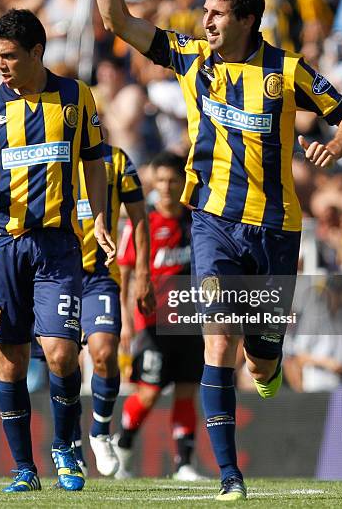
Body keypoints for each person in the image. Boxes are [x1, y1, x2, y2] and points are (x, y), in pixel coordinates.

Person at [90, 0, 342, 501]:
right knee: (217, 340)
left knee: (260, 362)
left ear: (245, 18)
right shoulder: (193, 59)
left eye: (216, 13)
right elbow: (118, 23)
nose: (205, 21)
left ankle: (266, 362)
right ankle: (229, 477)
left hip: (275, 230)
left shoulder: (286, 73)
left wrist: (333, 148)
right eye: (204, 11)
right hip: (212, 222)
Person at [0, 8, 115, 494]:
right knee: (9, 361)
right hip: (2, 243)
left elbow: (95, 161)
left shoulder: (74, 97)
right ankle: (24, 468)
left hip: (58, 245)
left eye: (9, 56)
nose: (0, 64)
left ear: (37, 53)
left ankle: (66, 448)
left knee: (62, 355)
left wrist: (101, 215)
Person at [31, 141, 155, 478]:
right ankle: (70, 442)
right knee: (63, 359)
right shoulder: (48, 156)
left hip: (100, 276)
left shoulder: (115, 160)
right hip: (55, 274)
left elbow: (139, 217)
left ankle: (100, 430)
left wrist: (143, 273)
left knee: (103, 352)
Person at [115, 151, 204, 481]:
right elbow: (123, 276)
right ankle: (123, 442)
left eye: (172, 181)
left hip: (190, 322)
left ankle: (184, 464)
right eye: (161, 181)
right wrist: (124, 322)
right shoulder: (142, 223)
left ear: (183, 183)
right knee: (149, 392)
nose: (166, 188)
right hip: (152, 323)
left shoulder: (196, 221)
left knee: (186, 391)